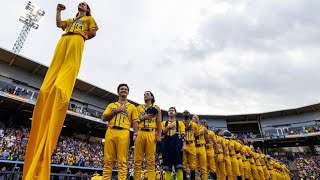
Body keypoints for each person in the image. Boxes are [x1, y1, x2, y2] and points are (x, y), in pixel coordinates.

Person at [23, 2, 98, 179]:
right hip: (64, 39)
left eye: (84, 4)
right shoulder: (72, 19)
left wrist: (83, 36)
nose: (81, 4)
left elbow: (93, 32)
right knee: (51, 78)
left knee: (67, 71)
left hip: (77, 39)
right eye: (80, 3)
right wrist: (58, 11)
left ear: (87, 9)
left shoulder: (88, 19)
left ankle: (61, 85)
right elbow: (59, 24)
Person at [101, 84, 139, 180]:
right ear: (118, 92)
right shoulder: (112, 105)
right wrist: (116, 111)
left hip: (124, 132)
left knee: (122, 160)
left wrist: (135, 134)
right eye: (122, 89)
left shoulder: (132, 107)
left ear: (128, 92)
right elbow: (104, 118)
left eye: (126, 89)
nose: (124, 90)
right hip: (110, 130)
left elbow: (135, 121)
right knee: (108, 160)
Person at [134, 91, 162, 180]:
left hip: (151, 133)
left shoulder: (157, 108)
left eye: (147, 94)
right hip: (140, 132)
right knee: (137, 160)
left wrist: (159, 135)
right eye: (144, 94)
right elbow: (134, 121)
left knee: (151, 160)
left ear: (152, 97)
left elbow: (159, 123)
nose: (145, 95)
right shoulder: (138, 107)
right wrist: (143, 118)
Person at [161, 107, 186, 180]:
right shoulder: (163, 123)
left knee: (179, 165)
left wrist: (184, 145)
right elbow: (162, 133)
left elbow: (183, 135)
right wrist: (168, 127)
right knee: (167, 166)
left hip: (177, 144)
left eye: (172, 110)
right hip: (166, 144)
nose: (171, 111)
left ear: (175, 113)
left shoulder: (180, 123)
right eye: (169, 110)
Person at [182, 110, 198, 180]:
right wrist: (186, 129)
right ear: (183, 114)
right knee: (183, 164)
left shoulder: (194, 124)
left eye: (187, 113)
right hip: (183, 144)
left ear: (189, 115)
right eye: (184, 113)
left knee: (193, 164)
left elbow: (196, 135)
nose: (186, 113)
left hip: (191, 144)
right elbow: (179, 132)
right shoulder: (180, 123)